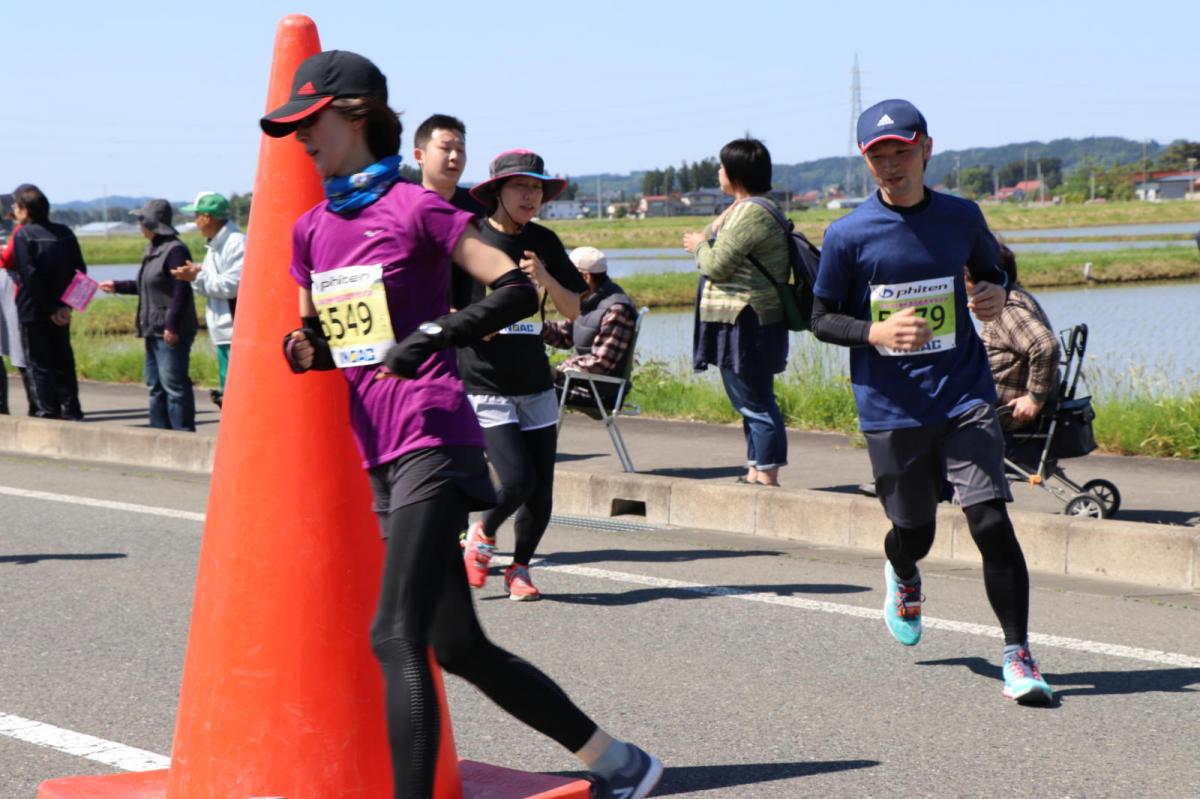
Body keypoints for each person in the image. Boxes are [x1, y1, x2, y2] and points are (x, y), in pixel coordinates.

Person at [263, 49, 660, 799]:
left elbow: (513, 290)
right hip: (379, 444)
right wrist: (303, 350)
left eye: (309, 122)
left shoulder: (416, 209)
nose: (300, 139)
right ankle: (620, 762)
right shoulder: (311, 230)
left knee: (393, 635)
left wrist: (437, 333)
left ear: (356, 116)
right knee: (459, 644)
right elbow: (328, 344)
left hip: (434, 433)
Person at [811, 98, 1053, 704]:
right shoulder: (847, 235)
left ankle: (1018, 655)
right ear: (867, 163)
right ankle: (903, 571)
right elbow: (819, 318)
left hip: (965, 393)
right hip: (891, 405)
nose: (891, 165)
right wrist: (874, 332)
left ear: (925, 148)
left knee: (991, 521)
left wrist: (995, 294)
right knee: (912, 531)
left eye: (900, 151)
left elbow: (991, 272)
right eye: (878, 156)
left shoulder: (961, 216)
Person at [454, 149, 587, 601]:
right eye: (520, 187)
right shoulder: (471, 240)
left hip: (534, 382)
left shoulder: (544, 242)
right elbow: (449, 308)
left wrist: (545, 277)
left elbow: (574, 311)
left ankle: (520, 569)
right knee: (516, 480)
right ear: (497, 192)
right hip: (486, 382)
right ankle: (483, 532)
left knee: (541, 490)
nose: (531, 196)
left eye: (537, 189)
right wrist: (478, 321)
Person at [682, 138, 790, 487]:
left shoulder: (752, 212)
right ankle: (755, 470)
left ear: (737, 173)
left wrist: (697, 246)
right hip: (745, 318)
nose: (718, 172)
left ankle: (767, 473)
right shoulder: (749, 207)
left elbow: (716, 264)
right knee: (752, 399)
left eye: (722, 167)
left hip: (746, 319)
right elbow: (716, 233)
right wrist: (728, 209)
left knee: (754, 401)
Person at [98, 199, 198, 431]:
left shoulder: (175, 249)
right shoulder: (153, 249)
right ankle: (158, 434)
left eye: (142, 221)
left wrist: (171, 326)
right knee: (155, 385)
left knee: (174, 385)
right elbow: (146, 285)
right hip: (152, 327)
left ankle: (182, 435)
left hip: (169, 329)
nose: (139, 225)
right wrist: (117, 285)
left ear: (152, 224)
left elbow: (181, 289)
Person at [6, 184, 86, 420]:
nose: (13, 209)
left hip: (34, 309)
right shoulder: (64, 231)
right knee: (63, 359)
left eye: (16, 205)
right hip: (62, 309)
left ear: (25, 210)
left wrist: (51, 308)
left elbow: (29, 275)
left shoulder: (23, 234)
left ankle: (46, 411)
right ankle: (71, 410)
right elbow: (80, 270)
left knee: (38, 363)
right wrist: (66, 306)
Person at [170, 192, 245, 408]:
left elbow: (232, 286)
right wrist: (198, 271)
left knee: (236, 395)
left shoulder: (235, 243)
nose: (194, 222)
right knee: (229, 393)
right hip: (223, 332)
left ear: (207, 217)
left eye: (195, 216)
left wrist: (197, 276)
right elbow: (218, 279)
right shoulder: (216, 244)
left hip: (233, 333)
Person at [542, 245, 638, 409]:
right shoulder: (590, 301)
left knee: (529, 387)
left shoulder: (616, 310)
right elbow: (564, 336)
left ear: (585, 277)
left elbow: (601, 361)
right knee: (525, 381)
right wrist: (533, 326)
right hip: (584, 384)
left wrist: (559, 371)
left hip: (601, 394)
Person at [980, 243, 1061, 431]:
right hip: (993, 406)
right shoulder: (1018, 295)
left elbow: (1045, 345)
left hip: (1003, 412)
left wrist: (1035, 399)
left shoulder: (1006, 308)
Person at [0, 193, 33, 414]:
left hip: (16, 300)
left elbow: (8, 258)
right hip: (16, 300)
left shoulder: (21, 234)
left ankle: (39, 407)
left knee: (23, 355)